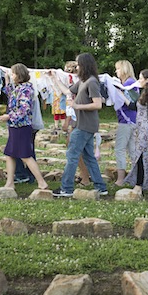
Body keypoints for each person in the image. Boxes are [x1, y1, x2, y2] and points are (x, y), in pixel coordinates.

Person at [51, 53, 108, 197]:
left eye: (78, 64)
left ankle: (66, 188)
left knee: (72, 155)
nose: (76, 67)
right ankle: (101, 187)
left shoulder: (92, 82)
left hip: (84, 126)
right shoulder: (83, 81)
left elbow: (97, 104)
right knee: (89, 157)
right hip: (82, 125)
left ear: (85, 65)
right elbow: (67, 92)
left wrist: (76, 105)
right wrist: (54, 78)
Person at [0, 63, 48, 190]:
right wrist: (7, 78)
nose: (12, 75)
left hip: (22, 126)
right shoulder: (18, 88)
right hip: (15, 126)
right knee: (10, 154)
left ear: (19, 75)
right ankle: (10, 183)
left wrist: (8, 116)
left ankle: (41, 182)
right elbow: (9, 92)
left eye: (13, 73)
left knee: (25, 155)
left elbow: (24, 109)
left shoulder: (26, 89)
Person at [113, 60, 139, 186]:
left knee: (120, 149)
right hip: (130, 119)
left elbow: (132, 102)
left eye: (118, 69)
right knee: (132, 149)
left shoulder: (129, 83)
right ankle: (136, 177)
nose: (116, 71)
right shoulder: (129, 83)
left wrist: (118, 92)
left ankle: (121, 179)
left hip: (127, 120)